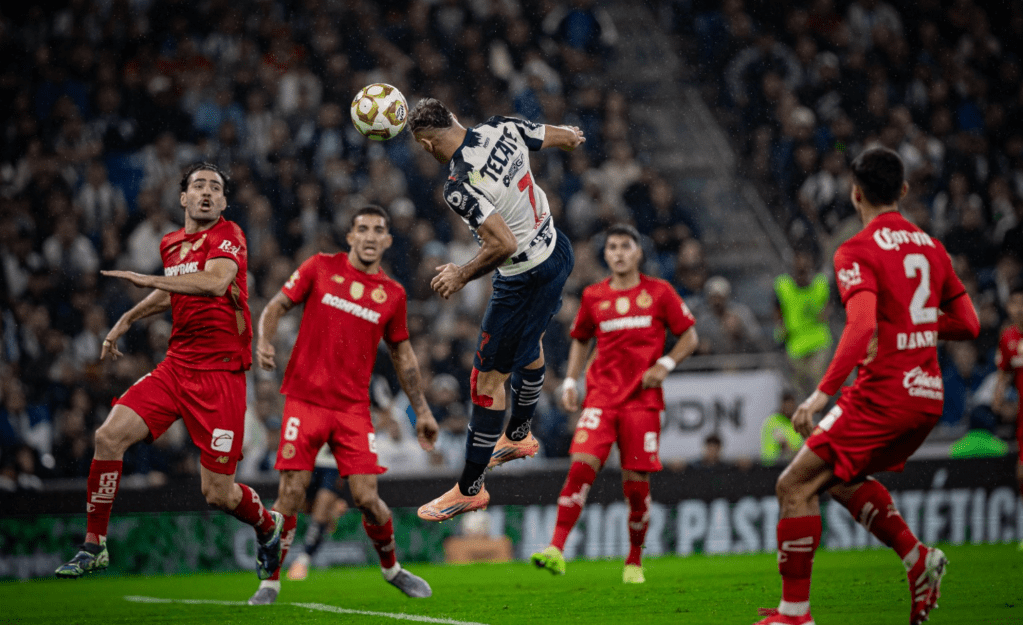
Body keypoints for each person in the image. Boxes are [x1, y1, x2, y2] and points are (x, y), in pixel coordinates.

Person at [754, 147, 980, 625]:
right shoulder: (931, 247)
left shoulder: (857, 249)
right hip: (927, 397)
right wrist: (915, 326)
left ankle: (795, 614)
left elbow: (858, 327)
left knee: (792, 485)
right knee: (835, 477)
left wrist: (820, 393)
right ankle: (917, 558)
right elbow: (969, 323)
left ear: (856, 195)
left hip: (883, 394)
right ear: (902, 190)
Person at [56, 163, 285, 580]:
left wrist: (147, 281)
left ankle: (268, 526)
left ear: (224, 202)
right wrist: (128, 317)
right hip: (176, 368)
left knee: (217, 494)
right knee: (108, 436)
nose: (206, 192)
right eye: (198, 185)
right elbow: (173, 292)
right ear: (183, 198)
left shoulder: (228, 236)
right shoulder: (171, 243)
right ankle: (94, 545)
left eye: (215, 188)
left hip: (221, 377)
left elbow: (215, 283)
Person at [249, 205, 439, 605]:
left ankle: (392, 570)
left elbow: (403, 356)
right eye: (363, 229)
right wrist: (264, 341)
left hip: (353, 409)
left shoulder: (393, 294)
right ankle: (270, 582)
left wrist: (421, 410)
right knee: (290, 494)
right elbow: (276, 306)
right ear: (350, 236)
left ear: (387, 241)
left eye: (379, 231)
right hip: (305, 400)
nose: (370, 236)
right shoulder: (320, 267)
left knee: (367, 498)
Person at [406, 98, 585, 522]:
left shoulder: (459, 183)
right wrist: (573, 137)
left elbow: (501, 243)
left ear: (429, 145)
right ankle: (519, 435)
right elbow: (556, 135)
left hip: (523, 276)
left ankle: (469, 489)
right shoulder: (499, 127)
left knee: (486, 380)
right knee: (530, 342)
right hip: (556, 249)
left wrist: (461, 274)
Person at [530, 224, 698, 583]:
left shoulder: (659, 292)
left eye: (625, 246)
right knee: (580, 467)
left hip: (642, 402)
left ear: (638, 252)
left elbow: (689, 336)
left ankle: (634, 559)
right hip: (602, 399)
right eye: (612, 248)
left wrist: (665, 365)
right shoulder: (594, 296)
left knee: (635, 487)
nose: (619, 253)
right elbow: (580, 339)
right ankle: (556, 549)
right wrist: (572, 381)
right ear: (605, 256)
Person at [285, 445, 349, 582]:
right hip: (311, 461)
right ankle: (332, 510)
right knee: (305, 508)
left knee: (321, 508)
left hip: (334, 464)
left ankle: (302, 560)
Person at [774, 250, 832, 399]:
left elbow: (828, 306)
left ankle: (821, 414)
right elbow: (777, 308)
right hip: (795, 345)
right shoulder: (784, 286)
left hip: (818, 342)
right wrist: (781, 327)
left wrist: (825, 311)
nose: (802, 273)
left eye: (805, 269)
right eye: (799, 270)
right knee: (799, 391)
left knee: (819, 385)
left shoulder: (820, 284)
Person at [991, 286, 1023, 548]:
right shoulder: (1009, 337)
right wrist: (998, 400)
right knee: (1022, 474)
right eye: (1014, 304)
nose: (1019, 309)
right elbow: (1004, 374)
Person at [761, 390, 804, 466]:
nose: (789, 407)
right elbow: (783, 449)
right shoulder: (772, 421)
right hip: (773, 467)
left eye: (791, 404)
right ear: (782, 405)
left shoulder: (798, 423)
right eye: (786, 404)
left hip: (792, 467)